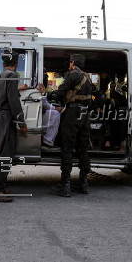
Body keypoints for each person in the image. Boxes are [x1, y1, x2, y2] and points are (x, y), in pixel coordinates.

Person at [0, 50, 28, 203]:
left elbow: (2, 95)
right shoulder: (13, 76)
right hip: (5, 120)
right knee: (5, 156)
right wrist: (21, 122)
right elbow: (13, 102)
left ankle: (1, 186)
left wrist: (17, 89)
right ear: (16, 64)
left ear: (3, 63)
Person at [54, 54, 93, 197]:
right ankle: (83, 184)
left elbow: (60, 92)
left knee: (67, 148)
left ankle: (65, 185)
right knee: (83, 149)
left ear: (72, 63)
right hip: (85, 115)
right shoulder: (88, 77)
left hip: (72, 114)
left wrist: (58, 99)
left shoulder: (72, 75)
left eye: (70, 62)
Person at [38, 73, 61, 148]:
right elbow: (44, 104)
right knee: (55, 114)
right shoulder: (40, 87)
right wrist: (55, 108)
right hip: (38, 112)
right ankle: (48, 140)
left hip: (39, 111)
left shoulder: (42, 88)